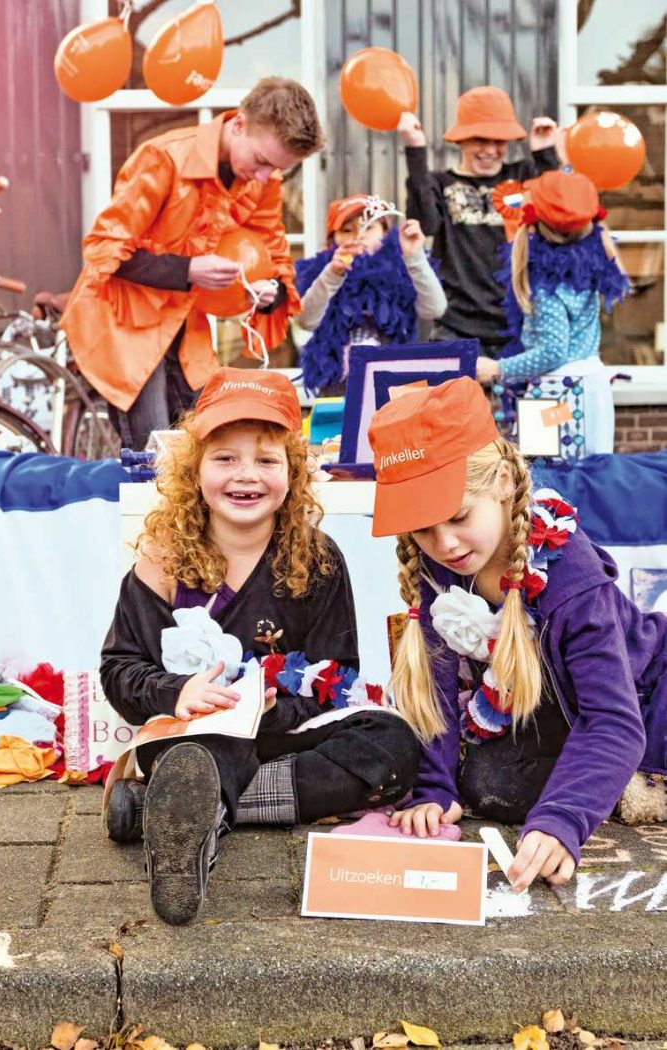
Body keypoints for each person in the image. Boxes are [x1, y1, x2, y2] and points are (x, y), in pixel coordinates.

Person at [100, 366, 421, 924]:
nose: (245, 475)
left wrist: (276, 706)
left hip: (283, 736)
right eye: (225, 458)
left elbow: (336, 674)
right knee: (194, 755)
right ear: (193, 468)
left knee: (392, 742)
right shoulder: (163, 557)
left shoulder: (318, 560)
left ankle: (179, 812)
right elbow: (120, 668)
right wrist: (178, 693)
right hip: (194, 736)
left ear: (292, 473)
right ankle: (188, 805)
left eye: (267, 460)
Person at [366, 377, 667, 893]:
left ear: (504, 481)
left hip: (645, 699)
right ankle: (616, 781)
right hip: (552, 716)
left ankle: (641, 777)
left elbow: (610, 717)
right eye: (422, 529)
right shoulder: (442, 567)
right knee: (484, 783)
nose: (444, 544)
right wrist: (434, 788)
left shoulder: (569, 579)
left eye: (458, 516)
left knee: (539, 782)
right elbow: (435, 689)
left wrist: (563, 820)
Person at [62, 78, 325, 451]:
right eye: (262, 161)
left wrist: (271, 291)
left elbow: (272, 249)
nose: (266, 176)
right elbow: (104, 250)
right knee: (154, 455)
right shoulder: (163, 158)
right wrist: (188, 270)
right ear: (238, 125)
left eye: (278, 169)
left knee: (210, 439)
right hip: (126, 325)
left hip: (186, 325)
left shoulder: (263, 180)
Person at [475, 170, 631, 455]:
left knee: (548, 482)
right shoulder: (591, 261)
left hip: (558, 396)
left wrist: (498, 369)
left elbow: (553, 352)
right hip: (591, 388)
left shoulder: (549, 288)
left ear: (534, 226)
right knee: (591, 479)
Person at [398, 86, 558, 355]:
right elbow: (425, 223)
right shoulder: (439, 183)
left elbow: (559, 210)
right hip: (456, 328)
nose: (490, 150)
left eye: (499, 141)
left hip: (521, 327)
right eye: (480, 140)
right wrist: (415, 148)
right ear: (462, 140)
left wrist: (545, 154)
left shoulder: (523, 174)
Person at [294, 195, 447, 391]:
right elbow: (307, 320)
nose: (359, 235)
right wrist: (332, 274)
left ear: (386, 232)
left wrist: (414, 257)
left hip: (396, 381)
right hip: (338, 383)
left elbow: (435, 309)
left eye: (369, 227)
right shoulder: (324, 274)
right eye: (347, 230)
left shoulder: (404, 268)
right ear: (332, 240)